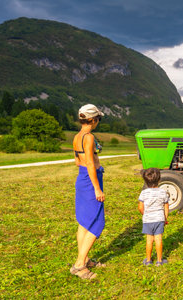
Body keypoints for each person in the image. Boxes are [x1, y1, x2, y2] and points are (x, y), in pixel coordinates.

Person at [70, 104, 105, 280]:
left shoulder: (77, 137)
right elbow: (90, 164)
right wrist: (97, 187)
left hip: (82, 179)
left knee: (84, 222)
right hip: (91, 181)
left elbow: (78, 162)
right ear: (92, 120)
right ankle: (79, 265)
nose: (98, 121)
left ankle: (85, 259)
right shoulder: (89, 137)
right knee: (98, 222)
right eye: (98, 118)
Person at [138, 168, 170, 266]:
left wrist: (145, 214)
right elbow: (166, 207)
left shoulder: (144, 193)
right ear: (159, 180)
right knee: (158, 239)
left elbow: (140, 207)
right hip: (159, 219)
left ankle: (148, 261)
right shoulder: (163, 192)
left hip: (148, 220)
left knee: (149, 240)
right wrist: (165, 218)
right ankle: (159, 261)